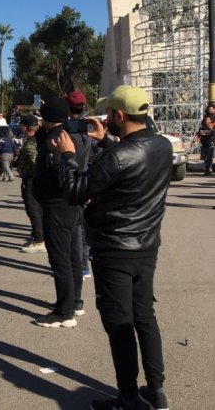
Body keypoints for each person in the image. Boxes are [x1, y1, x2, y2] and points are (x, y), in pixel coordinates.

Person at [53, 85, 171, 410]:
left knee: (119, 324)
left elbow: (76, 191)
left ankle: (129, 399)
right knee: (145, 316)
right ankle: (156, 390)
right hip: (146, 246)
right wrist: (104, 140)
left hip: (115, 249)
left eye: (109, 114)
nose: (105, 118)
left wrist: (67, 155)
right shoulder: (161, 145)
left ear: (119, 115)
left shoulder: (120, 155)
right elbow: (134, 162)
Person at [32, 96, 87, 328]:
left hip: (57, 206)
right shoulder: (72, 135)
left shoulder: (56, 142)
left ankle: (64, 312)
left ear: (45, 119)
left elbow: (59, 175)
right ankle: (75, 302)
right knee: (73, 258)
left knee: (60, 260)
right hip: (72, 205)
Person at [65, 90, 95, 280]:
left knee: (76, 228)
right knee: (84, 225)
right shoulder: (92, 126)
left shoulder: (67, 130)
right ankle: (83, 264)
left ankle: (80, 265)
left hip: (73, 180)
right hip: (88, 179)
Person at [16, 114, 45, 254]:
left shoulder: (31, 144)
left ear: (25, 127)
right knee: (34, 210)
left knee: (34, 210)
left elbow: (36, 164)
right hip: (33, 180)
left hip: (32, 180)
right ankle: (37, 236)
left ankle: (40, 240)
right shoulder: (37, 140)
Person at [198, 102, 215, 175]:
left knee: (209, 156)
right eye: (209, 109)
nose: (210, 110)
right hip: (204, 141)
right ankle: (207, 169)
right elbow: (200, 129)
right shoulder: (205, 118)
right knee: (205, 157)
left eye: (211, 109)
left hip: (211, 140)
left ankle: (209, 168)